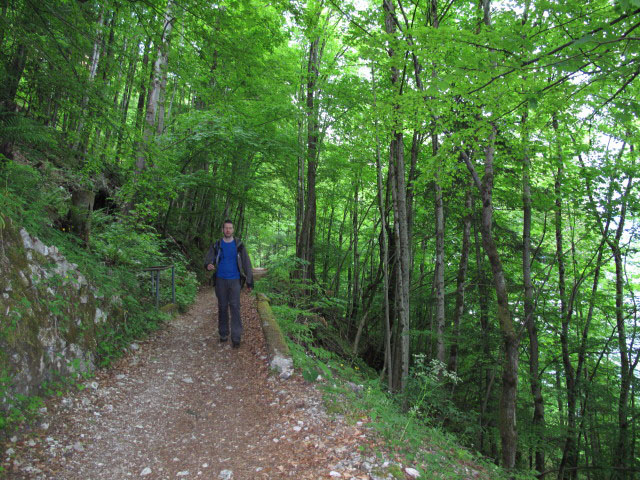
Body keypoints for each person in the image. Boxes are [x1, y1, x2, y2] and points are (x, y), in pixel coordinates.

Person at [204, 219, 253, 348]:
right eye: (226, 228)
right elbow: (209, 259)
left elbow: (246, 262)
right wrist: (208, 265)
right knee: (222, 306)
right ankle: (223, 333)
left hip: (235, 280)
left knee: (235, 307)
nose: (228, 230)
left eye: (230, 228)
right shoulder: (217, 244)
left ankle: (236, 337)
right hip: (220, 280)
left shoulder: (239, 245)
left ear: (233, 230)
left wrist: (249, 281)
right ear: (222, 230)